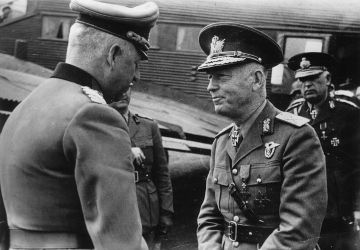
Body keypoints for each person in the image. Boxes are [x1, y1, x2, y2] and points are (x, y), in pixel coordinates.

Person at [0, 0, 159, 249]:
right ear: (113, 54)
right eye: (135, 64)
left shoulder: (25, 108)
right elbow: (120, 243)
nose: (136, 76)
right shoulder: (95, 115)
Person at [196, 22, 327, 250]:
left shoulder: (296, 137)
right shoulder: (222, 141)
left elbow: (298, 231)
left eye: (221, 77)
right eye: (209, 78)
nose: (210, 87)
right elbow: (209, 218)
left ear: (256, 79)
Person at [286, 52, 360, 250]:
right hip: (301, 204)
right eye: (302, 80)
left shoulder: (349, 112)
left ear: (327, 79)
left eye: (312, 78)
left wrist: (356, 207)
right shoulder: (291, 114)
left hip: (337, 205)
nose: (307, 85)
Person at [110, 84, 174, 250]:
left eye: (127, 88)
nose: (123, 93)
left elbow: (162, 174)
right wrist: (125, 150)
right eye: (118, 88)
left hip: (145, 207)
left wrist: (166, 211)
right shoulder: (99, 126)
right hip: (114, 207)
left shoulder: (148, 126)